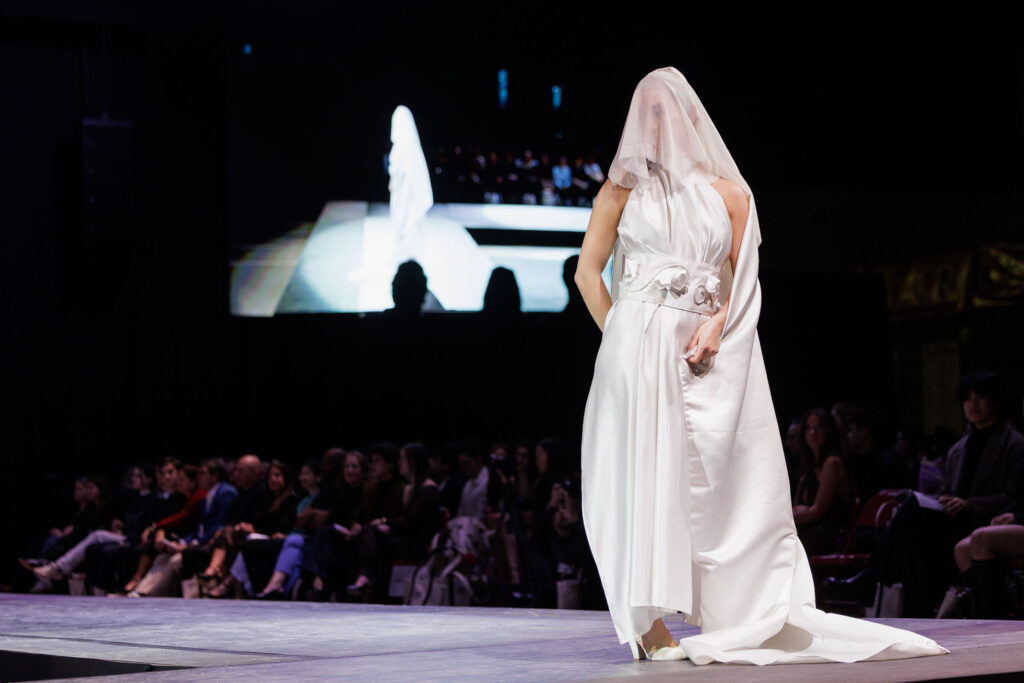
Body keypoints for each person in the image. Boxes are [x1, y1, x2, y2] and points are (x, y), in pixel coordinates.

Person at [575, 66, 948, 665]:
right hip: (634, 348)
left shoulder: (729, 194)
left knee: (723, 471)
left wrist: (717, 321)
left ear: (691, 118)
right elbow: (587, 272)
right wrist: (620, 336)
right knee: (638, 474)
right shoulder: (619, 192)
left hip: (702, 346)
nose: (653, 124)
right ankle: (649, 624)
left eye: (664, 111)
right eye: (644, 113)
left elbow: (740, 278)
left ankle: (748, 608)